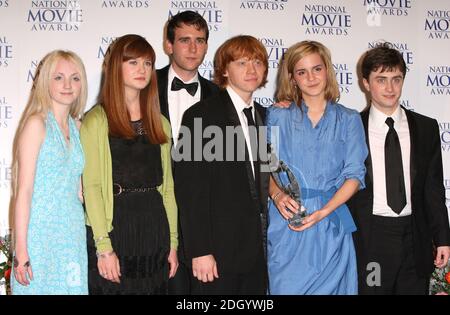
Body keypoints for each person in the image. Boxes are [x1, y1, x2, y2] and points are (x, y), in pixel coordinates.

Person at [347, 43, 450, 295]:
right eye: (381, 80)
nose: (390, 88)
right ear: (365, 83)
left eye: (396, 79)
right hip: (371, 239)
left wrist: (443, 239)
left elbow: (433, 189)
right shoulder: (350, 128)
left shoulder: (426, 128)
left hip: (415, 237)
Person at [267, 41, 368, 294]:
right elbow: (263, 167)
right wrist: (277, 195)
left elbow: (355, 176)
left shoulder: (349, 119)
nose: (311, 78)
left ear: (327, 71)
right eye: (302, 72)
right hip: (286, 224)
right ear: (292, 78)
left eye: (317, 69)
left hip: (330, 226)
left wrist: (323, 212)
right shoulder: (276, 116)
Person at [80, 34, 178, 295]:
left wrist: (173, 243)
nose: (142, 70)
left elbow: (167, 189)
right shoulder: (97, 122)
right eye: (133, 62)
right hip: (116, 229)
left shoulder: (161, 123)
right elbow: (91, 188)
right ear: (116, 68)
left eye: (147, 63)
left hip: (154, 230)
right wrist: (104, 248)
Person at [174, 35, 270, 295]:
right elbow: (188, 190)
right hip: (215, 254)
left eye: (257, 62)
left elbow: (264, 178)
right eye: (241, 63)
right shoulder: (200, 115)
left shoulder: (264, 115)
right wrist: (200, 250)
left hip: (255, 254)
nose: (251, 70)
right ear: (225, 70)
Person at [11, 50, 88, 294]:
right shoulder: (37, 124)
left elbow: (78, 188)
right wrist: (21, 249)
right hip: (40, 235)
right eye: (59, 78)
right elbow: (23, 191)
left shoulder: (78, 127)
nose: (68, 85)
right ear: (46, 82)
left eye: (75, 78)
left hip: (72, 234)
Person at [156, 10, 220, 294]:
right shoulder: (142, 86)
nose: (193, 48)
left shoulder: (220, 96)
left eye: (200, 40)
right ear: (169, 45)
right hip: (154, 211)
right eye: (184, 40)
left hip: (205, 215)